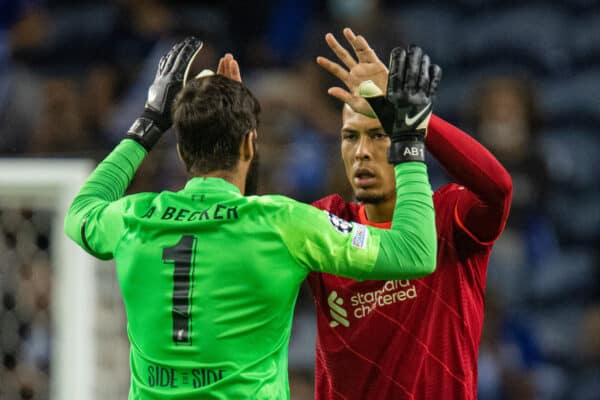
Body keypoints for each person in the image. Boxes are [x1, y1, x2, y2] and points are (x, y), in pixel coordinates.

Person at [63, 37, 439, 399]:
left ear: (180, 152)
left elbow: (80, 210)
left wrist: (149, 122)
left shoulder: (135, 218)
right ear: (249, 145)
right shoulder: (282, 224)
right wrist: (407, 138)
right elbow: (414, 252)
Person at [306, 29, 513, 399]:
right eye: (350, 137)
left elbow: (498, 188)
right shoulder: (325, 225)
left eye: (380, 135)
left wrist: (417, 122)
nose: (361, 153)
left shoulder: (449, 217)